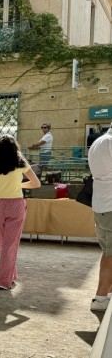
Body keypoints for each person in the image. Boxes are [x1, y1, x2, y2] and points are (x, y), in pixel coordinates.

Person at [0, 135, 41, 290]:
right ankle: (3, 280)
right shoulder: (21, 163)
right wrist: (18, 185)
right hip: (15, 204)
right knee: (10, 244)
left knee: (3, 243)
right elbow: (36, 183)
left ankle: (10, 275)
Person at [88, 123, 112, 311]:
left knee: (107, 252)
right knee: (110, 255)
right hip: (109, 205)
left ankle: (105, 294)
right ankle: (101, 297)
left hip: (101, 204)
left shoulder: (99, 142)